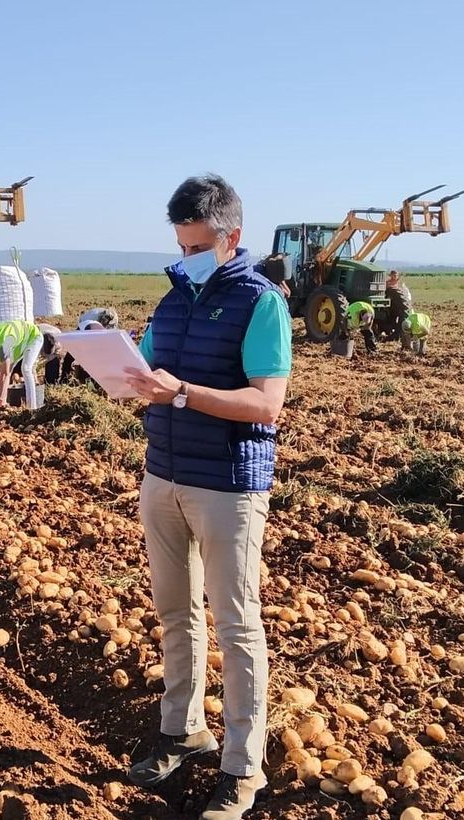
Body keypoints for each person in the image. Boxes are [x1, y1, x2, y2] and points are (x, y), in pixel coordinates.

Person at [121, 175, 290, 820]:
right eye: (180, 241)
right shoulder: (172, 301)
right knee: (175, 613)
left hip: (227, 485)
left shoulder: (260, 302)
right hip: (162, 473)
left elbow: (266, 403)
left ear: (231, 238)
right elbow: (148, 369)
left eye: (197, 243)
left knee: (238, 625)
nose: (186, 254)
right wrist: (123, 375)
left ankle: (243, 769)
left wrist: (184, 393)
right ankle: (181, 731)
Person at [0, 319, 45, 410]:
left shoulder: (2, 345)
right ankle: (2, 401)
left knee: (25, 368)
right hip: (18, 342)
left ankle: (32, 407)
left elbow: (5, 374)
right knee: (7, 369)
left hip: (33, 336)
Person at [380, 270, 413, 346]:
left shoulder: (401, 285)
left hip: (398, 303)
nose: (394, 277)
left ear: (398, 276)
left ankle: (399, 332)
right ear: (390, 276)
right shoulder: (387, 283)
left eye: (395, 276)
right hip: (391, 301)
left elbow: (406, 296)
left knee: (403, 313)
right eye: (392, 275)